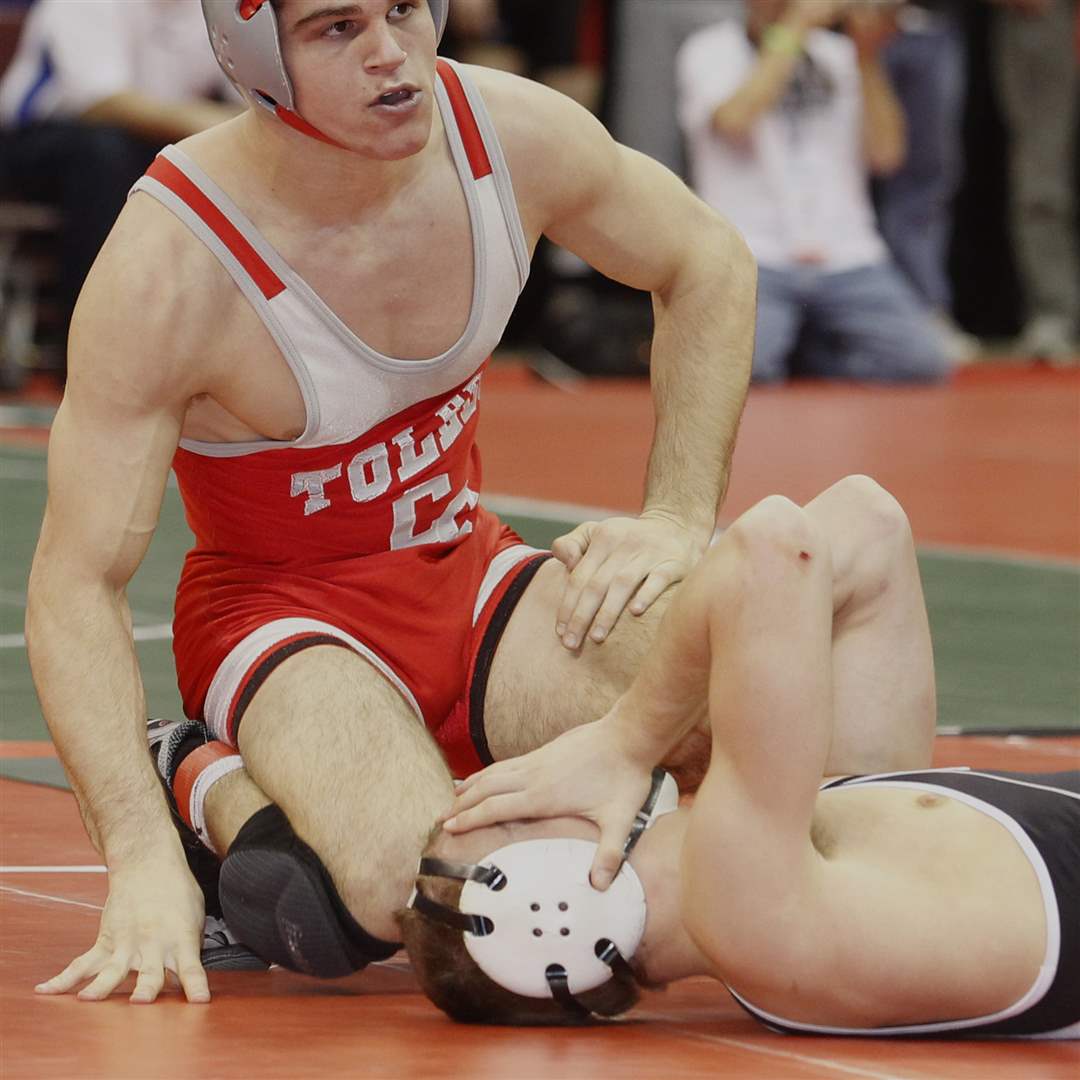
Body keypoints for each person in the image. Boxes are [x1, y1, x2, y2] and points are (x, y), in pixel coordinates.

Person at [25, 0, 755, 1005]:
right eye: (338, 29)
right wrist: (140, 855)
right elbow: (75, 582)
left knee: (740, 703)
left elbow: (708, 259)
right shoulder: (173, 264)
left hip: (468, 576)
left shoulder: (510, 136)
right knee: (429, 902)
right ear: (255, 57)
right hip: (284, 618)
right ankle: (194, 773)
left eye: (405, 9)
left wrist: (676, 517)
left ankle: (409, 788)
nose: (390, 54)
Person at [409, 475, 1080, 1038]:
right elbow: (772, 549)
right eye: (511, 808)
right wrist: (625, 739)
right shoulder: (750, 916)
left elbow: (869, 526)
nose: (532, 771)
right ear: (553, 904)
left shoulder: (811, 835)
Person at [677, 0, 948, 382]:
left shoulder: (840, 54)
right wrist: (796, 25)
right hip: (753, 255)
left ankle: (805, 353)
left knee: (922, 362)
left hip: (846, 257)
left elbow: (887, 155)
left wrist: (866, 57)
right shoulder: (711, 49)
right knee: (741, 372)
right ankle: (796, 344)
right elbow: (733, 121)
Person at [0, 0, 242, 370]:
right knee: (106, 152)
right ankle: (90, 353)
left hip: (148, 140)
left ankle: (217, 349)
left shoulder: (213, 8)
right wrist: (214, 123)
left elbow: (248, 95)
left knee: (231, 157)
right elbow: (101, 101)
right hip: (40, 140)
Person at [990, 0, 1078, 362]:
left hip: (1058, 19)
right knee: (1039, 180)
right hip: (1030, 20)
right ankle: (1056, 311)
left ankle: (1057, 313)